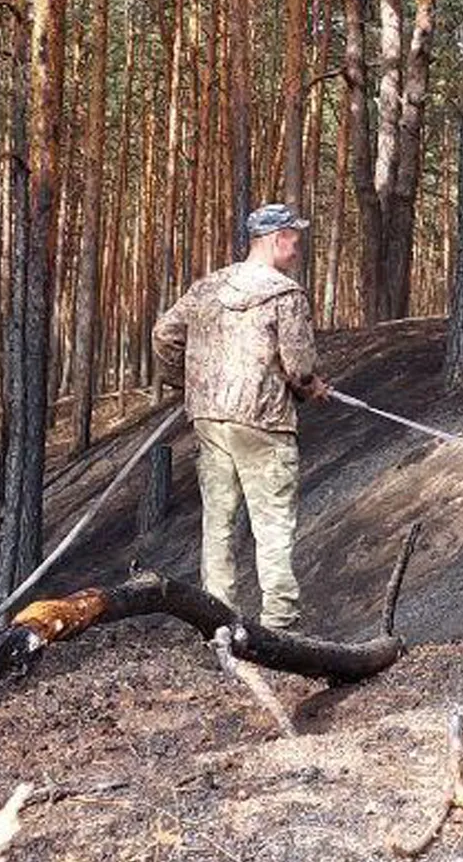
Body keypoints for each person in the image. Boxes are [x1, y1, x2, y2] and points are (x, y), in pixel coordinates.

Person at [152, 203, 330, 630]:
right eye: (294, 238)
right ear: (276, 239)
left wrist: (188, 383)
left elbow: (164, 334)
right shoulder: (285, 294)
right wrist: (311, 388)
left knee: (219, 522)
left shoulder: (208, 287)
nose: (298, 247)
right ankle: (280, 623)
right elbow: (299, 367)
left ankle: (216, 623)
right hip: (264, 422)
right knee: (273, 524)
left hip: (210, 419)